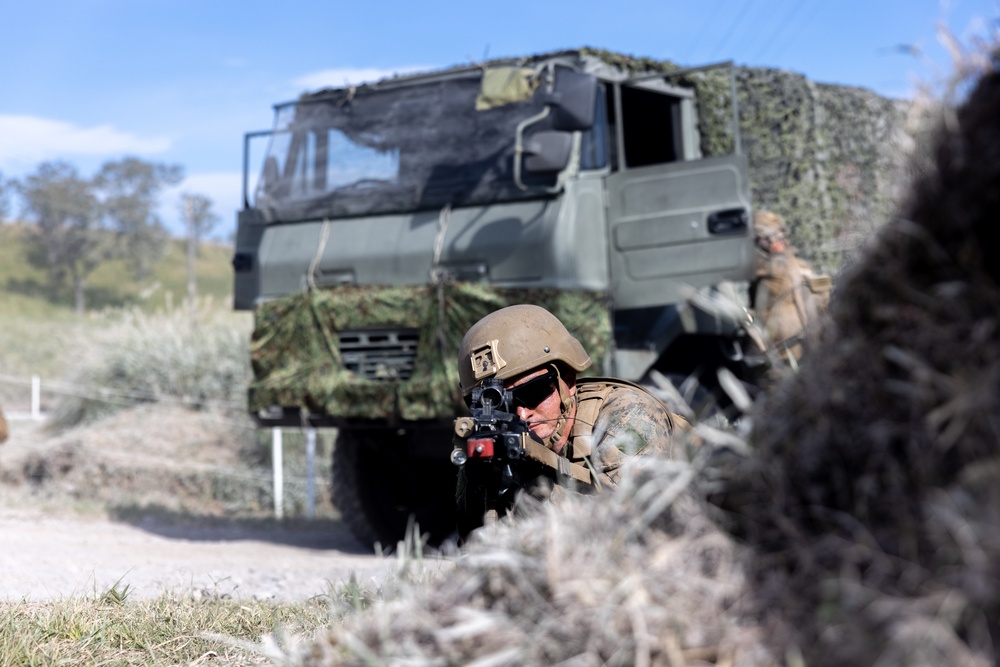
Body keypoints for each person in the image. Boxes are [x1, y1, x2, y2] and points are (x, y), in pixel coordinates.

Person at [456, 303, 685, 491]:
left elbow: (623, 521)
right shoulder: (489, 449)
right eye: (498, 404)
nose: (521, 413)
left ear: (567, 380)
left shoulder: (629, 416)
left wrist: (533, 477)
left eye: (532, 393)